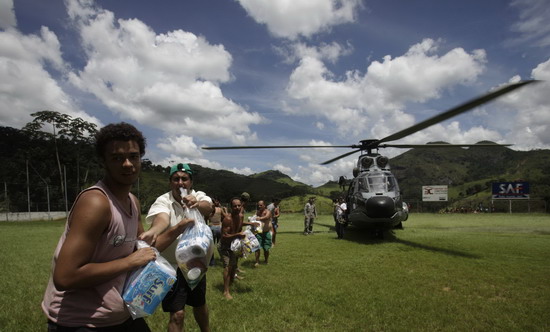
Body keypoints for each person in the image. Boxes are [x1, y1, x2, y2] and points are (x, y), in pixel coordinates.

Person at [42, 122, 157, 331]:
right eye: (117, 158)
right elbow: (65, 276)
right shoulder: (96, 202)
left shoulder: (132, 200)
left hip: (120, 315)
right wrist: (130, 261)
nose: (127, 164)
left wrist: (181, 227)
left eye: (133, 156)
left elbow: (143, 249)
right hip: (82, 321)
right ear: (103, 162)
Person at [140, 163, 213, 332]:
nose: (180, 183)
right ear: (170, 182)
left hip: (195, 263)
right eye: (176, 179)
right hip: (171, 266)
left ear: (191, 182)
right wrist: (155, 231)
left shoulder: (198, 195)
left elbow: (208, 208)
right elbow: (162, 218)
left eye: (184, 179)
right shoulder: (164, 200)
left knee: (200, 305)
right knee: (177, 314)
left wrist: (197, 203)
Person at [219, 197, 246, 300]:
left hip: (233, 245)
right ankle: (226, 292)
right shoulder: (227, 219)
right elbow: (224, 236)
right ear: (231, 207)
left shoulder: (241, 216)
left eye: (239, 205)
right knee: (227, 267)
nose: (237, 207)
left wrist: (251, 224)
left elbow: (240, 225)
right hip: (224, 246)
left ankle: (230, 283)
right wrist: (238, 234)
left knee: (234, 266)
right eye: (235, 206)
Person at [253, 200, 273, 267]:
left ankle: (266, 260)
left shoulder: (268, 212)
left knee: (266, 248)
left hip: (266, 232)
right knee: (257, 248)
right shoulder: (257, 212)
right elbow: (254, 218)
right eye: (258, 205)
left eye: (261, 205)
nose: (259, 206)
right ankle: (257, 261)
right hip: (259, 233)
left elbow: (267, 217)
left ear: (264, 205)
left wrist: (259, 218)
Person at [207, 197, 223, 266]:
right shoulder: (220, 209)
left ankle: (212, 262)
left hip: (212, 227)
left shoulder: (208, 210)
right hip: (219, 227)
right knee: (221, 245)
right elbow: (224, 217)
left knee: (211, 246)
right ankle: (222, 258)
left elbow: (206, 218)